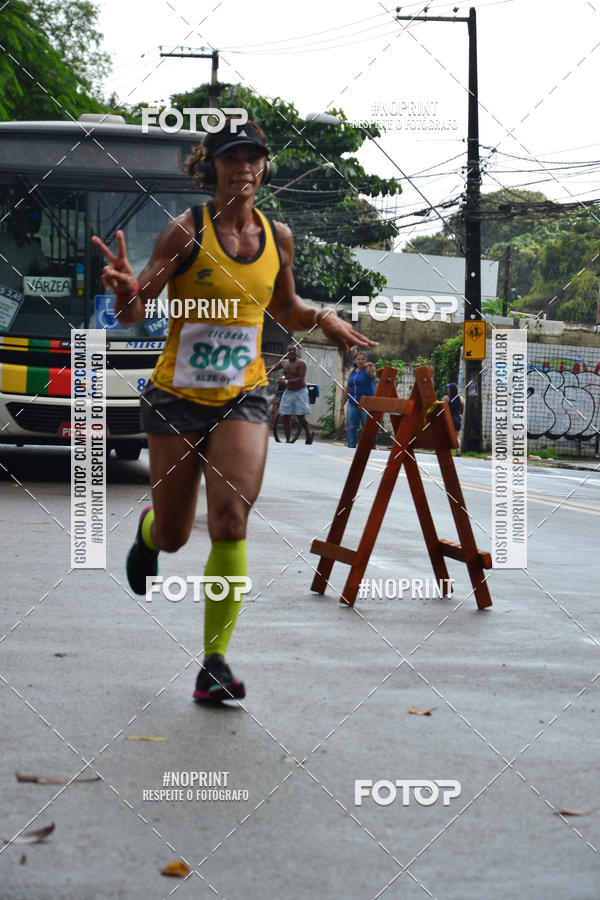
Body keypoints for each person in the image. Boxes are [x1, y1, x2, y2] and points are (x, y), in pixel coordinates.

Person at [92, 117, 375, 703]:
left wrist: (323, 316)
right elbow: (134, 312)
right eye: (230, 157)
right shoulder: (185, 232)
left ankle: (214, 663)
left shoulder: (279, 237)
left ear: (263, 167)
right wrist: (124, 291)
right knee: (176, 534)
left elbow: (286, 308)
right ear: (212, 167)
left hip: (244, 395)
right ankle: (148, 535)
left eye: (252, 157)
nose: (242, 166)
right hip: (176, 397)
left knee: (230, 522)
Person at [271, 343, 313, 443]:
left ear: (297, 352)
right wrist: (259, 370)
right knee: (285, 415)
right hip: (288, 391)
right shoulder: (283, 363)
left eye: (294, 350)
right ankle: (288, 440)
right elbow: (271, 368)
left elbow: (301, 378)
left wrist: (286, 382)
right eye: (290, 350)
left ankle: (309, 433)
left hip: (300, 392)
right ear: (287, 352)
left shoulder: (301, 363)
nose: (292, 351)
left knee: (300, 416)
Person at [341, 351, 377, 448]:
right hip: (352, 403)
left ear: (366, 360)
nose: (360, 361)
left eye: (363, 359)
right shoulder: (352, 372)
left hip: (366, 404)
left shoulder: (368, 370)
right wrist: (342, 405)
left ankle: (372, 447)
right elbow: (347, 389)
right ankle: (351, 446)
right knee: (351, 427)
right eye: (358, 359)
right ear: (355, 361)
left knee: (368, 427)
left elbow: (371, 373)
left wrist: (370, 366)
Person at [443, 382, 465, 449]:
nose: (447, 389)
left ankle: (446, 450)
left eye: (448, 388)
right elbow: (462, 410)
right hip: (457, 419)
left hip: (448, 419)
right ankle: (458, 450)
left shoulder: (446, 398)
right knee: (456, 437)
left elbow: (442, 410)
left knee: (446, 436)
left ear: (449, 390)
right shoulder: (461, 398)